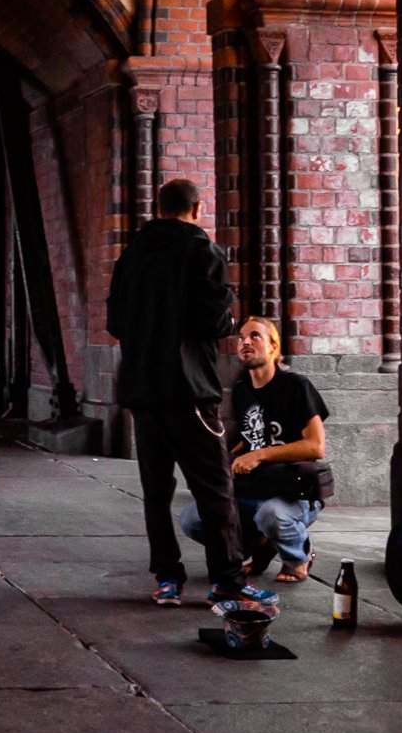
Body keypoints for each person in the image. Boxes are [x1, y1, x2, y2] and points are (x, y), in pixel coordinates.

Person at [106, 177, 270, 610]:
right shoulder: (202, 250)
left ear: (159, 209)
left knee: (156, 490)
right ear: (197, 209)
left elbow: (115, 324)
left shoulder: (130, 257)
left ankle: (167, 579)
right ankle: (228, 580)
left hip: (142, 391)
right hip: (189, 389)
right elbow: (215, 323)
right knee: (215, 487)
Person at [182, 317, 330, 584]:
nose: (245, 342)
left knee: (271, 515)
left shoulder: (296, 386)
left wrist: (259, 455)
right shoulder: (241, 390)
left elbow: (315, 446)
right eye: (240, 338)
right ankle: (261, 546)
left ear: (273, 347)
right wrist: (225, 461)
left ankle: (299, 557)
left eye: (254, 336)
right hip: (255, 487)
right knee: (192, 519)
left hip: (294, 491)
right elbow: (249, 438)